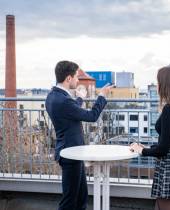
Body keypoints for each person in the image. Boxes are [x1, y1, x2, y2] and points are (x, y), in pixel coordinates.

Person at [45, 60, 112, 210]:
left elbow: (71, 109)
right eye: (76, 77)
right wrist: (102, 96)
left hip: (71, 152)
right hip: (70, 154)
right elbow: (92, 116)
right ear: (68, 78)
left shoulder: (52, 96)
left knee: (80, 197)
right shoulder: (64, 101)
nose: (77, 80)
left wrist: (80, 98)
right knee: (70, 200)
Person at [130, 65, 170, 210]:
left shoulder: (169, 109)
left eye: (158, 82)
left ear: (165, 84)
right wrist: (146, 148)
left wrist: (142, 151)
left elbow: (165, 148)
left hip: (169, 164)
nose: (157, 85)